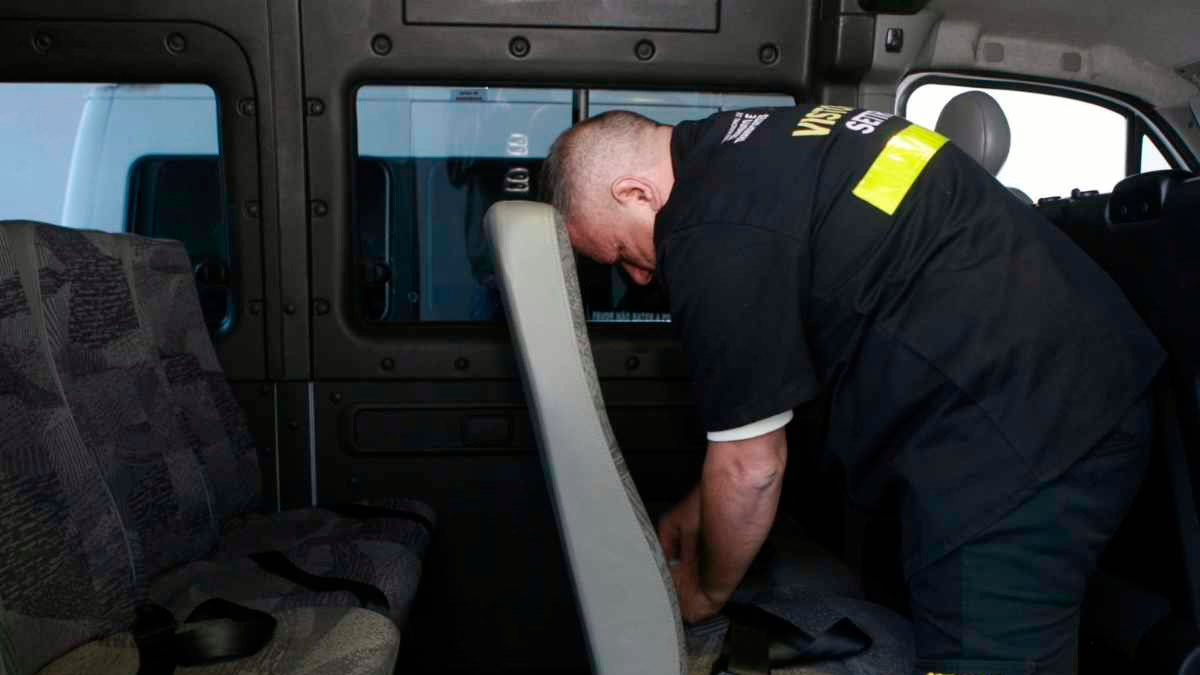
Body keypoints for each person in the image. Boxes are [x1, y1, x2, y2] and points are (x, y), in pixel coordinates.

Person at [540, 107, 1164, 675]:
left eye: (621, 253)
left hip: (1022, 427)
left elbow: (752, 468)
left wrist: (702, 594)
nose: (638, 276)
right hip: (1062, 382)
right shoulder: (755, 143)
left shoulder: (712, 229)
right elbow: (761, 410)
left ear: (635, 192)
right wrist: (700, 508)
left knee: (983, 658)